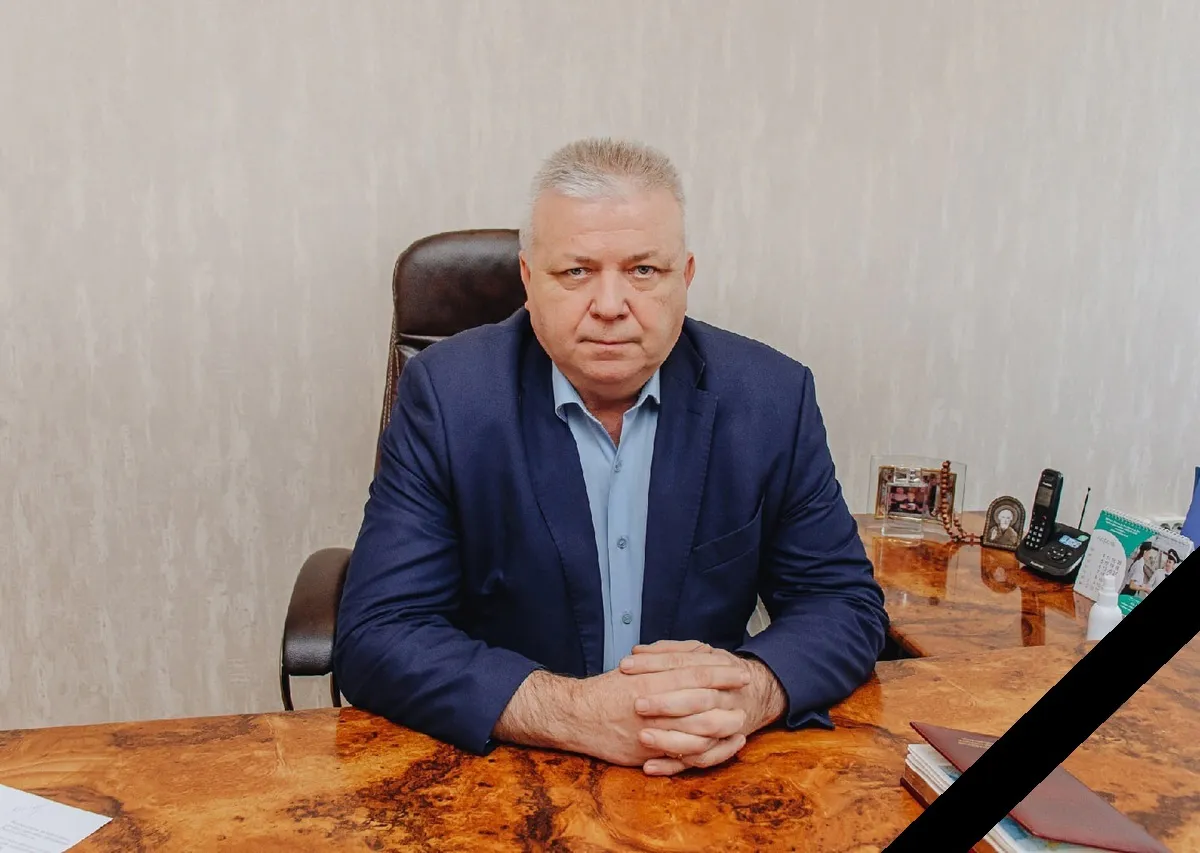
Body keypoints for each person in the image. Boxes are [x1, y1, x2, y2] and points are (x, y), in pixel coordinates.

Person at [333, 138, 888, 777]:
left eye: (643, 271)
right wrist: (575, 714)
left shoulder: (770, 399)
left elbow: (841, 603)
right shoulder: (448, 396)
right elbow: (380, 632)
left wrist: (751, 692)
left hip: (704, 769)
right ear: (527, 279)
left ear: (685, 277)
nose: (609, 305)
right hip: (515, 768)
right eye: (576, 272)